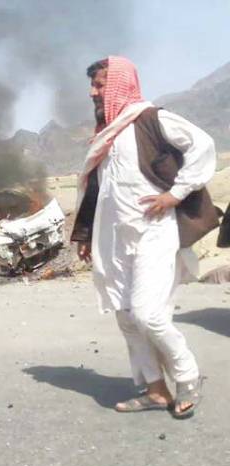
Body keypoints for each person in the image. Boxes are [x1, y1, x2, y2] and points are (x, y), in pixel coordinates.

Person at [71, 56, 218, 419]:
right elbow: (98, 192)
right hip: (115, 237)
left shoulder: (150, 119)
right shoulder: (107, 135)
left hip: (154, 231)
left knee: (149, 314)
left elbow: (202, 144)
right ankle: (155, 390)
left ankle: (187, 376)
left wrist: (176, 193)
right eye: (92, 85)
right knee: (125, 316)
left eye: (100, 84)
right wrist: (88, 235)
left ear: (120, 84)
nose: (93, 92)